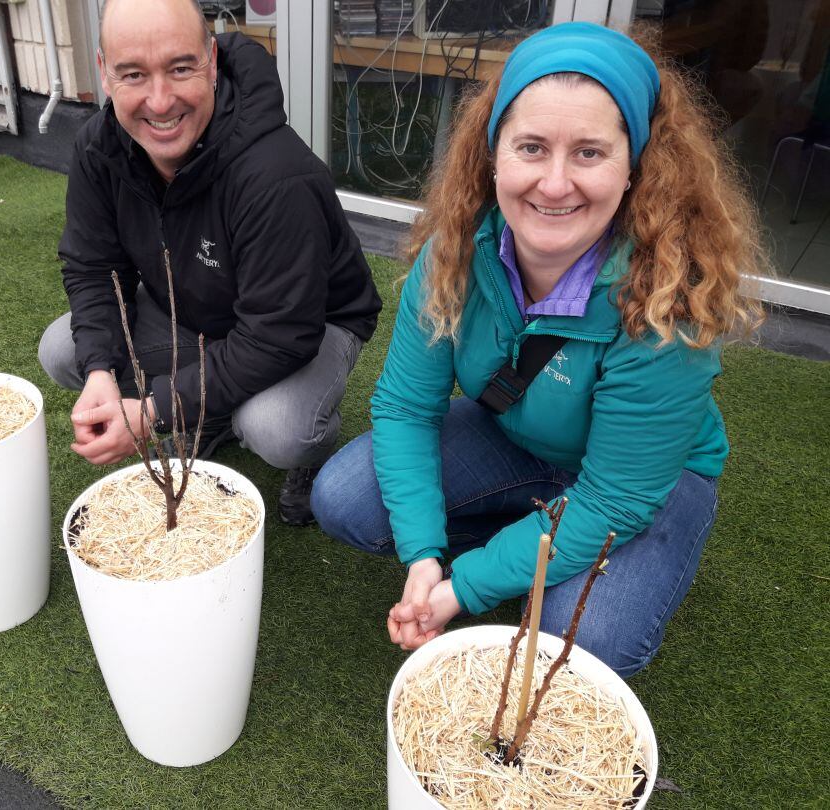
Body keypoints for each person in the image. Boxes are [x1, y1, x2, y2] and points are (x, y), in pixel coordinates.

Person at [310, 22, 767, 678]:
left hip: (648, 484)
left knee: (585, 645)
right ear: (495, 152)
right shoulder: (456, 253)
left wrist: (463, 591)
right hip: (521, 445)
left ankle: (543, 560)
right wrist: (423, 557)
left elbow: (612, 499)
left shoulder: (672, 294)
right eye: (531, 147)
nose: (554, 185)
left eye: (588, 153)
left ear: (634, 164)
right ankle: (528, 544)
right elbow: (406, 408)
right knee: (346, 495)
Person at [39, 0, 381, 524]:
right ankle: (212, 409)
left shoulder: (275, 175)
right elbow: (93, 267)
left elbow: (277, 335)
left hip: (310, 322)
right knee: (70, 350)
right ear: (105, 74)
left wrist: (154, 411)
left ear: (213, 62)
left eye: (180, 68)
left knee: (277, 426)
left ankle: (311, 453)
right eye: (133, 74)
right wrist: (103, 374)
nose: (159, 101)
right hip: (197, 311)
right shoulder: (98, 149)